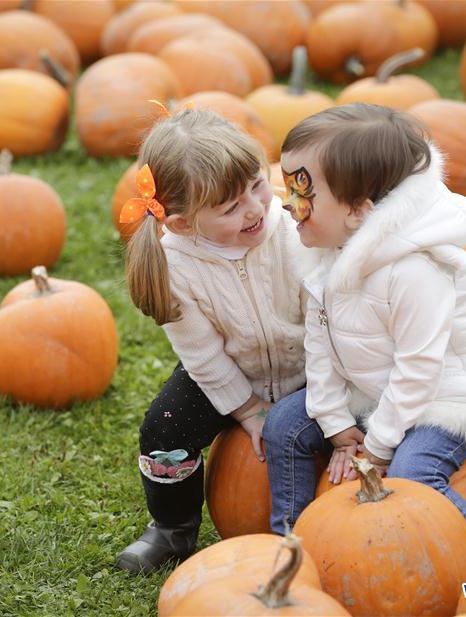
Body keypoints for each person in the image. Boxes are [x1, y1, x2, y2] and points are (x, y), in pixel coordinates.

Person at [262, 104, 466, 561]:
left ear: (359, 212)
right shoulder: (329, 250)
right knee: (284, 425)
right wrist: (336, 423)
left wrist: (379, 446)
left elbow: (419, 370)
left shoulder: (415, 272)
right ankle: (291, 547)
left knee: (414, 472)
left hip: (451, 394)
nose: (289, 203)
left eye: (302, 189)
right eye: (288, 186)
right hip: (377, 386)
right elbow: (320, 341)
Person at [115, 109, 319, 574]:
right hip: (230, 370)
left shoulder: (294, 227)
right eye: (229, 207)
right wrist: (246, 410)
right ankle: (173, 527)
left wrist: (326, 389)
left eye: (256, 183)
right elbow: (202, 354)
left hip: (313, 366)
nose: (254, 207)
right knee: (164, 429)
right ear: (185, 224)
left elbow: (329, 316)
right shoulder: (173, 265)